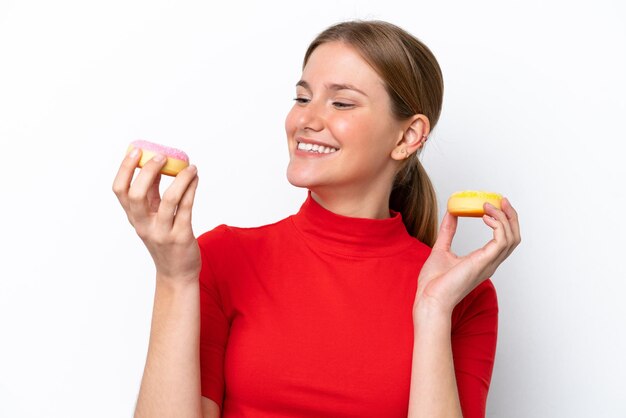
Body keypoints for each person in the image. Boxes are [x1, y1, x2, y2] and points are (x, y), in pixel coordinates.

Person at [113, 20, 521, 418]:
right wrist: (174, 278)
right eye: (302, 98)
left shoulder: (463, 295)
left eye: (341, 102)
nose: (306, 120)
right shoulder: (218, 258)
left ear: (407, 137)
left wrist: (433, 310)